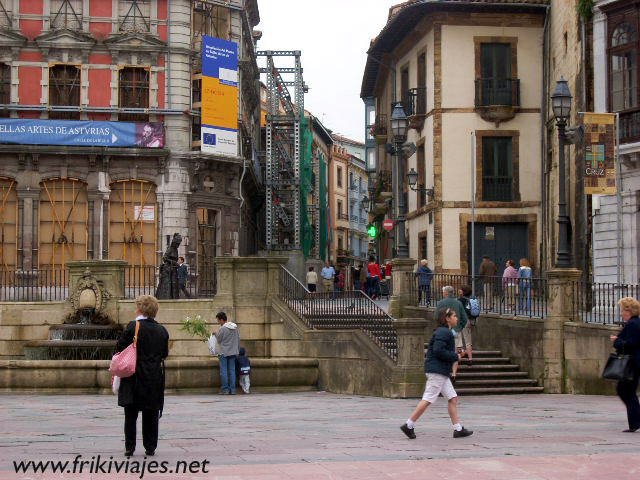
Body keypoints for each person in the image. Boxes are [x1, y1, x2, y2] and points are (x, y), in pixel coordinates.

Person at [400, 308, 473, 440]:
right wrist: (455, 356)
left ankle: (458, 429)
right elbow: (438, 350)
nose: (456, 318)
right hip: (437, 371)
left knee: (452, 398)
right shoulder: (444, 332)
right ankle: (408, 425)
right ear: (447, 318)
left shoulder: (444, 332)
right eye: (454, 316)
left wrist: (454, 354)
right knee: (428, 399)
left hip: (441, 371)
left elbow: (440, 349)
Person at [116, 295, 169, 457]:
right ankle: (150, 446)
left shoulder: (133, 327)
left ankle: (130, 447)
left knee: (130, 414)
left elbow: (119, 348)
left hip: (134, 376)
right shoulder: (162, 330)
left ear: (140, 309)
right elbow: (164, 354)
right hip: (153, 376)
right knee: (151, 412)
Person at [610, 297, 640, 432]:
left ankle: (636, 420)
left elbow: (631, 344)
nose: (621, 313)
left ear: (629, 311)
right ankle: (635, 421)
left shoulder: (633, 324)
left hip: (631, 363)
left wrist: (616, 341)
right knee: (628, 391)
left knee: (625, 390)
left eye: (622, 310)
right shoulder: (635, 323)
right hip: (634, 362)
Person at [434, 286, 468, 382]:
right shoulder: (458, 303)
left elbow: (435, 316)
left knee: (445, 352)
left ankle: (446, 372)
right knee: (455, 353)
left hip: (443, 332)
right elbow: (465, 319)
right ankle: (454, 374)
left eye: (443, 293)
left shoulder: (441, 303)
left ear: (446, 294)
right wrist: (459, 328)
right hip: (456, 332)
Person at [215, 311, 240, 395]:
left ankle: (225, 389)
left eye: (218, 321)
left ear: (222, 320)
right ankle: (233, 390)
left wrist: (216, 334)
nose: (218, 323)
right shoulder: (235, 328)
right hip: (233, 352)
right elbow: (238, 340)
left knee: (224, 371)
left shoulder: (223, 328)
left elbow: (219, 340)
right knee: (232, 371)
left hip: (224, 352)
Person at [457, 285, 476, 366]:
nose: (459, 290)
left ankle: (460, 356)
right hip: (469, 321)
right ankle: (470, 359)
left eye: (460, 289)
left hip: (461, 321)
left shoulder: (459, 300)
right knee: (468, 340)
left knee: (459, 340)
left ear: (463, 291)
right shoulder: (471, 299)